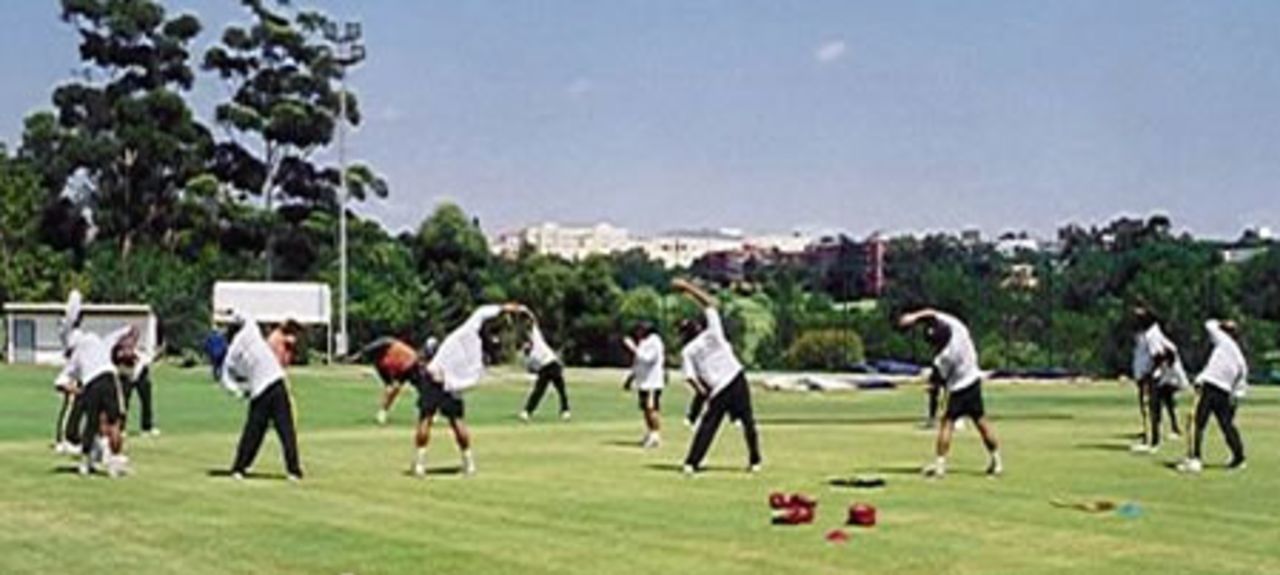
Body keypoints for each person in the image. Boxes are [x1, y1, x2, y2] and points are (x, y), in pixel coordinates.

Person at [412, 302, 527, 477]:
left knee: (427, 419)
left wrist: (512, 308)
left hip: (437, 377)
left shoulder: (469, 331)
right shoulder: (477, 359)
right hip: (450, 385)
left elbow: (484, 312)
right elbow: (470, 382)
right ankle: (468, 463)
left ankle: (420, 465)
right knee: (456, 422)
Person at [899, 308, 1002, 478]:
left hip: (958, 388)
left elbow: (940, 381)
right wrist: (914, 318)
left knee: (947, 423)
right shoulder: (958, 327)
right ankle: (997, 461)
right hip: (974, 381)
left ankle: (940, 465)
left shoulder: (944, 357)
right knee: (981, 421)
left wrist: (930, 383)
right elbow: (931, 313)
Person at [673, 279, 762, 475]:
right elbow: (709, 303)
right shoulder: (713, 332)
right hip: (736, 377)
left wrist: (702, 391)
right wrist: (688, 288)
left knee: (708, 426)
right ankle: (755, 460)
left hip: (718, 388)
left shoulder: (687, 351)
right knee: (748, 422)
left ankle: (691, 463)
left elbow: (690, 378)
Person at [218, 311, 304, 481]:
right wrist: (229, 312)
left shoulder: (230, 356)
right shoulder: (250, 330)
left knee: (253, 432)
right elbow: (245, 315)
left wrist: (240, 392)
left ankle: (240, 467)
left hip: (259, 390)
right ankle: (294, 470)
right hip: (276, 381)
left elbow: (225, 380)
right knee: (286, 429)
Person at [57, 292, 131, 477]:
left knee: (91, 424)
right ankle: (114, 462)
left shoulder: (74, 356)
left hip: (90, 383)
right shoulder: (94, 339)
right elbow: (114, 338)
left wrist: (75, 389)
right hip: (108, 377)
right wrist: (128, 331)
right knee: (115, 421)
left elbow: (60, 382)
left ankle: (85, 463)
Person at [1178, 320, 1248, 473]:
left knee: (1196, 422)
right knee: (1227, 425)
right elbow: (1241, 384)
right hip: (1225, 391)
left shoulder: (1223, 341)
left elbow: (1209, 324)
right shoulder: (1240, 358)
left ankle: (1194, 459)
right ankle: (1239, 457)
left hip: (1209, 386)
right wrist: (1234, 399)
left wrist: (1221, 323)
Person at [1130, 308, 1189, 454]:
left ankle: (1152, 441)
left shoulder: (1152, 335)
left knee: (1151, 408)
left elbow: (1160, 355)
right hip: (1151, 375)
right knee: (1152, 408)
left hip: (1153, 377)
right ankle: (1151, 438)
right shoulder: (1147, 334)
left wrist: (1152, 372)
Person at [355, 336, 433, 425]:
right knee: (393, 389)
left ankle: (427, 412)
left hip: (409, 364)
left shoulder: (387, 347)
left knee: (422, 388)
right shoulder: (379, 363)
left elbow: (386, 340)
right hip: (401, 367)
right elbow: (388, 380)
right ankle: (382, 413)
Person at [518, 309, 570, 421]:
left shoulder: (537, 340)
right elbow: (532, 369)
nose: (526, 346)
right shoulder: (530, 358)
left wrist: (525, 311)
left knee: (561, 389)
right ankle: (527, 411)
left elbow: (533, 321)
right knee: (538, 391)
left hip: (553, 363)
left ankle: (565, 411)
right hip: (544, 369)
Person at [623, 321, 665, 448]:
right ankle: (650, 432)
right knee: (645, 409)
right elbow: (637, 362)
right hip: (642, 381)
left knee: (651, 407)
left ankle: (656, 434)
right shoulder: (643, 342)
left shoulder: (655, 341)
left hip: (652, 381)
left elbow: (647, 358)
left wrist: (632, 348)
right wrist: (631, 377)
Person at [112, 325, 159, 436]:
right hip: (125, 376)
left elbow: (146, 360)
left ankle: (146, 427)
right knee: (123, 403)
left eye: (135, 336)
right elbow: (118, 361)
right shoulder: (118, 349)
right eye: (131, 336)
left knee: (146, 401)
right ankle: (121, 428)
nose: (133, 339)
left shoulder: (140, 350)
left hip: (140, 375)